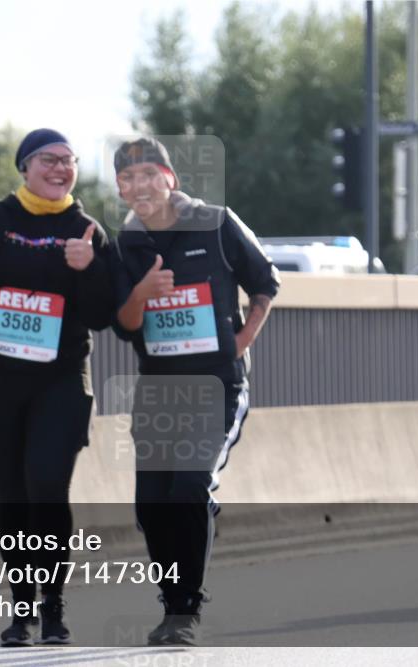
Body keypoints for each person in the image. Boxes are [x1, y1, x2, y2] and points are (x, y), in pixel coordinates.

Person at [0, 128, 113, 647]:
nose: (60, 169)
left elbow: (103, 312)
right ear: (24, 168)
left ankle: (53, 608)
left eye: (68, 160)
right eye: (48, 160)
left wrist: (89, 268)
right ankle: (21, 611)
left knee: (47, 489)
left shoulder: (85, 230)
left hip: (60, 380)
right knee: (12, 498)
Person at [108, 137, 280, 646]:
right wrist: (142, 293)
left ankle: (186, 609)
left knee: (189, 485)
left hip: (216, 384)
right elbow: (124, 324)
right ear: (121, 189)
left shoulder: (217, 223)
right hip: (158, 389)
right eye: (127, 179)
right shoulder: (127, 245)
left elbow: (266, 282)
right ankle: (170, 604)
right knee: (151, 505)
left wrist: (242, 341)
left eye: (148, 174)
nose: (139, 186)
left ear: (170, 179)